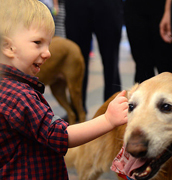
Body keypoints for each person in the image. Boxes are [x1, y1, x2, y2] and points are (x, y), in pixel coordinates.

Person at [0, 0, 128, 179]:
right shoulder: (20, 95)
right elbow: (59, 135)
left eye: (48, 44)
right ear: (8, 46)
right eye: (37, 43)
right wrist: (107, 120)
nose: (48, 53)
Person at [64, 0, 124, 113]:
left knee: (111, 61)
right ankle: (77, 110)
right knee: (76, 61)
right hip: (76, 5)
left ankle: (114, 109)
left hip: (108, 4)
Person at [123, 0, 172, 83]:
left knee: (167, 65)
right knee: (142, 66)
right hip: (133, 8)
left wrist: (168, 11)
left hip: (161, 8)